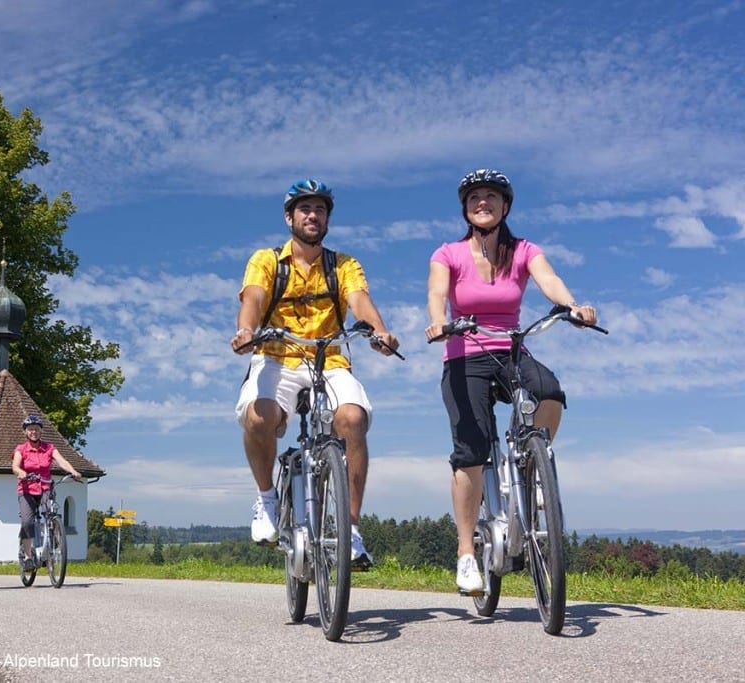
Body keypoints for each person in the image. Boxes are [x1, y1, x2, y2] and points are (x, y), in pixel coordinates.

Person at [424, 168, 598, 591]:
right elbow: (436, 294)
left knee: (549, 392)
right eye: (474, 198)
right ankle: (467, 552)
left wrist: (572, 306)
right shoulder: (448, 253)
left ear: (505, 207)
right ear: (465, 209)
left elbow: (549, 280)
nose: (482, 203)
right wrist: (438, 322)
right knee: (471, 451)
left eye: (491, 197)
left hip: (511, 348)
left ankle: (532, 469)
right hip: (465, 354)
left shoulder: (523, 250)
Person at [232, 178, 400, 570]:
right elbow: (254, 297)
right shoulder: (267, 260)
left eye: (320, 209)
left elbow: (359, 300)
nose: (313, 215)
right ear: (289, 216)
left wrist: (379, 330)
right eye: (305, 209)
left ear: (327, 219)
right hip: (277, 355)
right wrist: (246, 331)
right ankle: (267, 500)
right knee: (259, 416)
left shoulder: (342, 264)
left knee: (352, 419)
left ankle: (351, 529)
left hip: (329, 359)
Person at [11, 414, 83, 570]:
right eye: (30, 429)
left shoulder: (49, 448)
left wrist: (73, 471)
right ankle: (29, 557)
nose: (33, 432)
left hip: (45, 487)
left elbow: (61, 460)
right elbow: (15, 466)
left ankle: (52, 537)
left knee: (51, 513)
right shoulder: (21, 449)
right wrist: (21, 472)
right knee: (28, 522)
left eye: (36, 429)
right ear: (26, 432)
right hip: (27, 490)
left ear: (41, 431)